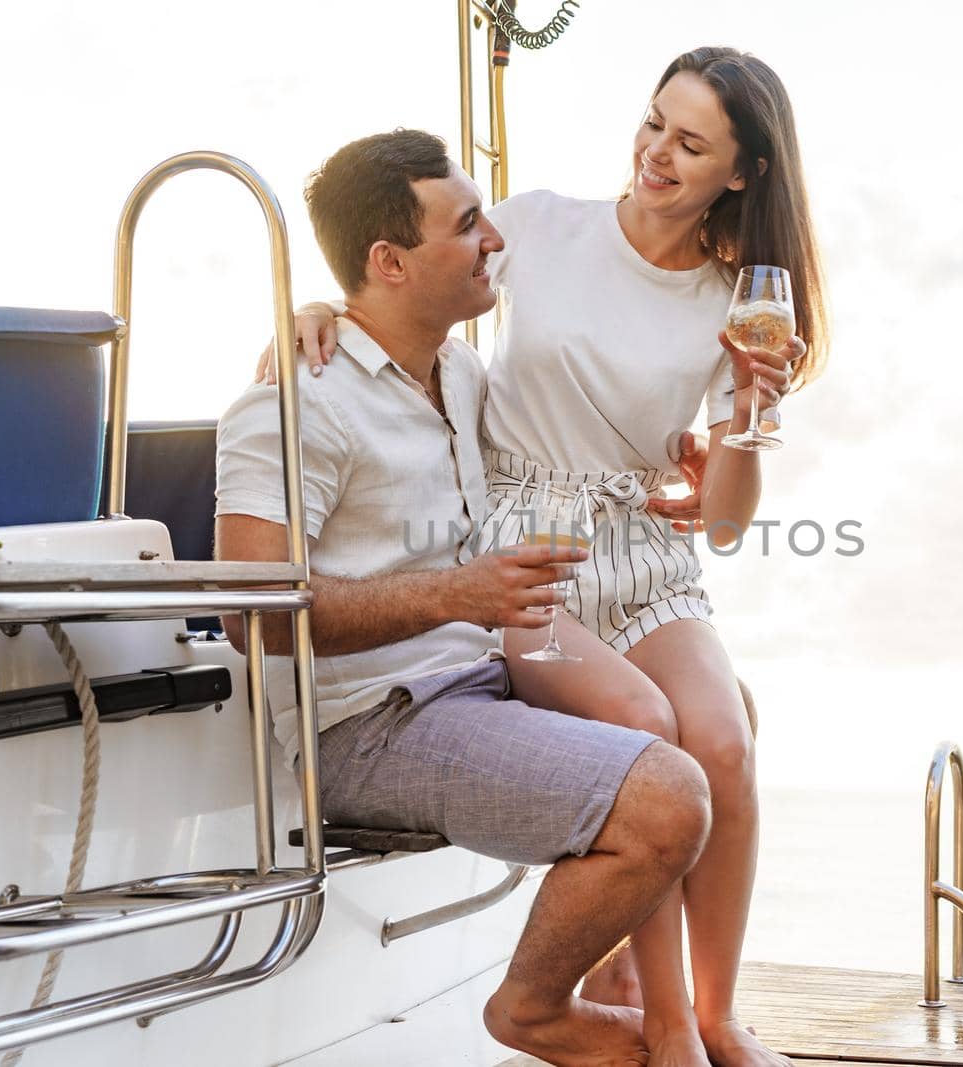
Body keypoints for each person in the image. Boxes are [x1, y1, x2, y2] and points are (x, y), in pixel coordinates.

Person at [262, 46, 824, 1067]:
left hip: (644, 548)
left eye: (689, 142)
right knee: (646, 729)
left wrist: (750, 414)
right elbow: (411, 273)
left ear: (737, 174)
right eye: (654, 121)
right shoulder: (542, 222)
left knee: (726, 741)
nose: (655, 152)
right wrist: (318, 308)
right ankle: (661, 1029)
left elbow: (730, 524)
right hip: (521, 543)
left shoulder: (733, 300)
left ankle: (713, 1011)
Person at [216, 128, 715, 1067]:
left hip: (481, 676)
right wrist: (454, 592)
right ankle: (531, 1008)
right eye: (469, 224)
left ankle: (667, 1000)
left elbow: (571, 429)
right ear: (389, 261)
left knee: (710, 719)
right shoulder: (295, 404)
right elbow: (252, 614)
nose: (497, 239)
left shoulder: (459, 372)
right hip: (371, 722)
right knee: (668, 800)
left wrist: (680, 468)